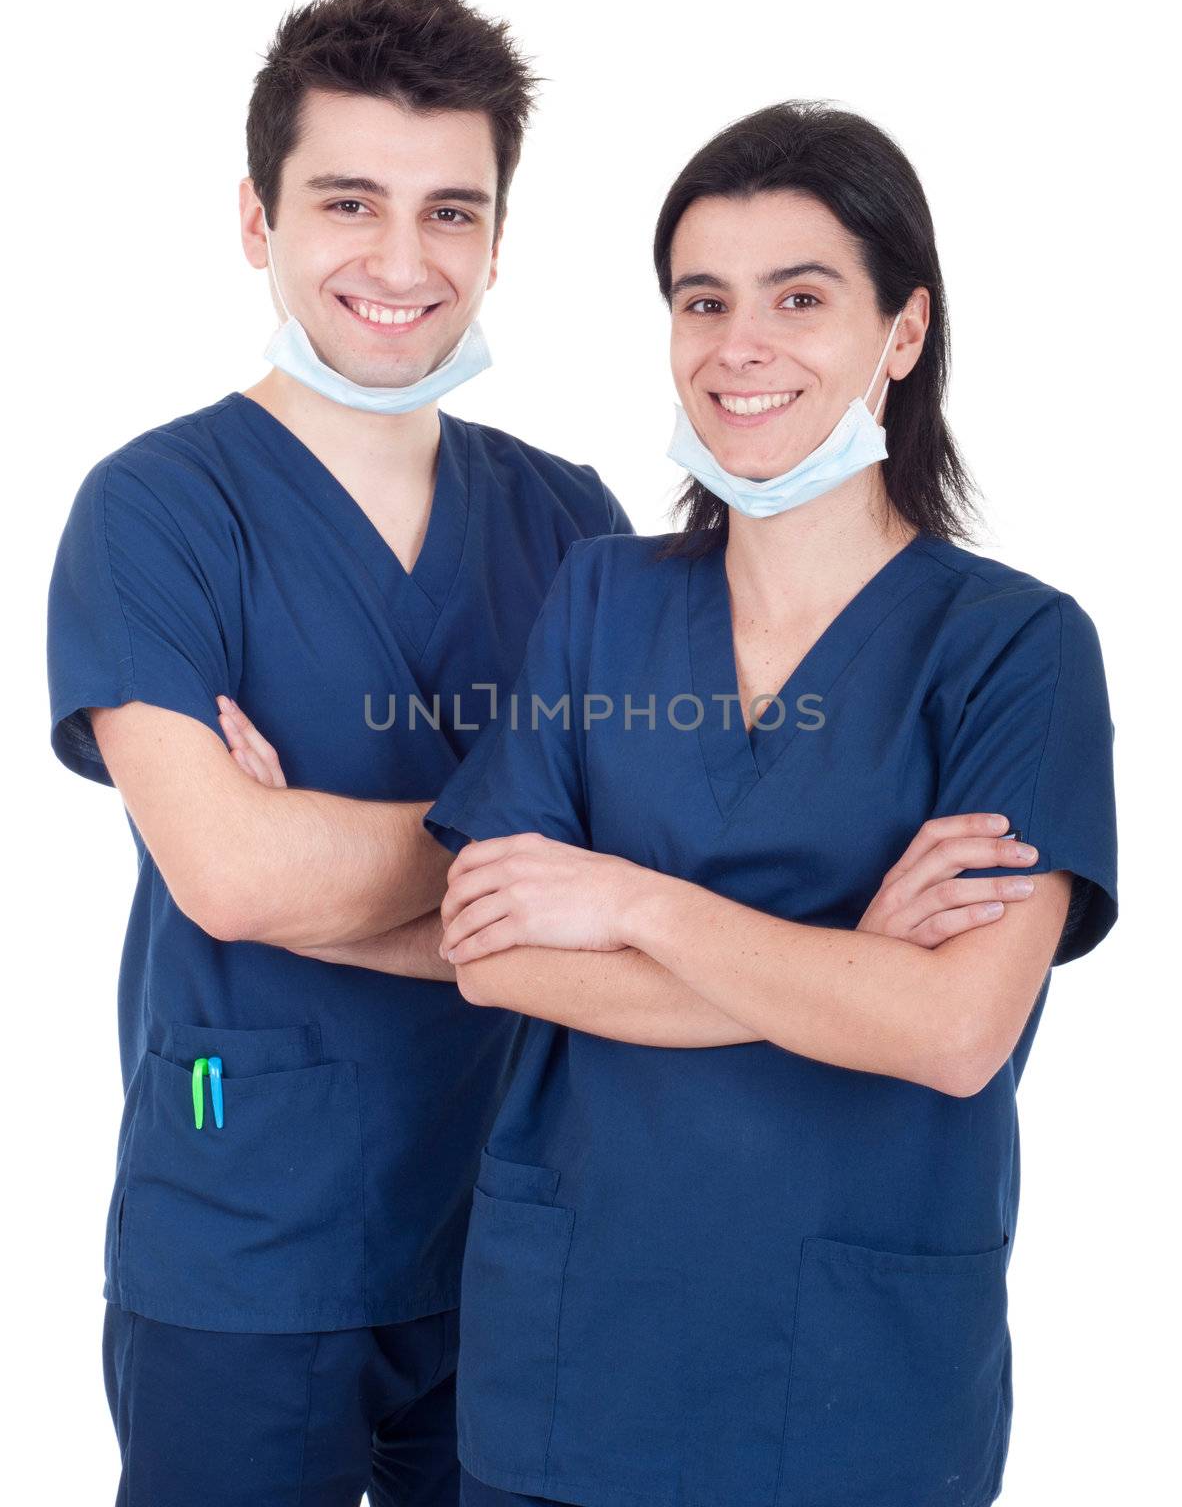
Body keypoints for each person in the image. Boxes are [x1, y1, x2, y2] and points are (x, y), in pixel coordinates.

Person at [419, 102, 1119, 1507]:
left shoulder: (1013, 648)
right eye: (702, 300)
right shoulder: (601, 597)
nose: (738, 346)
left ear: (900, 333)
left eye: (799, 298)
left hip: (851, 1385)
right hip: (570, 1356)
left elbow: (951, 1030)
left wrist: (630, 904)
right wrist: (847, 964)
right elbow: (490, 954)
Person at [46, 0, 637, 1507]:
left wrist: (327, 843)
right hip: (244, 1235)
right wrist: (530, 871)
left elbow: (645, 876)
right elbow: (232, 879)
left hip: (518, 1227)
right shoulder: (157, 511)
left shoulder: (568, 519)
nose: (399, 258)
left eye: (451, 211)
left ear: (500, 237)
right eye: (348, 201)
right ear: (257, 218)